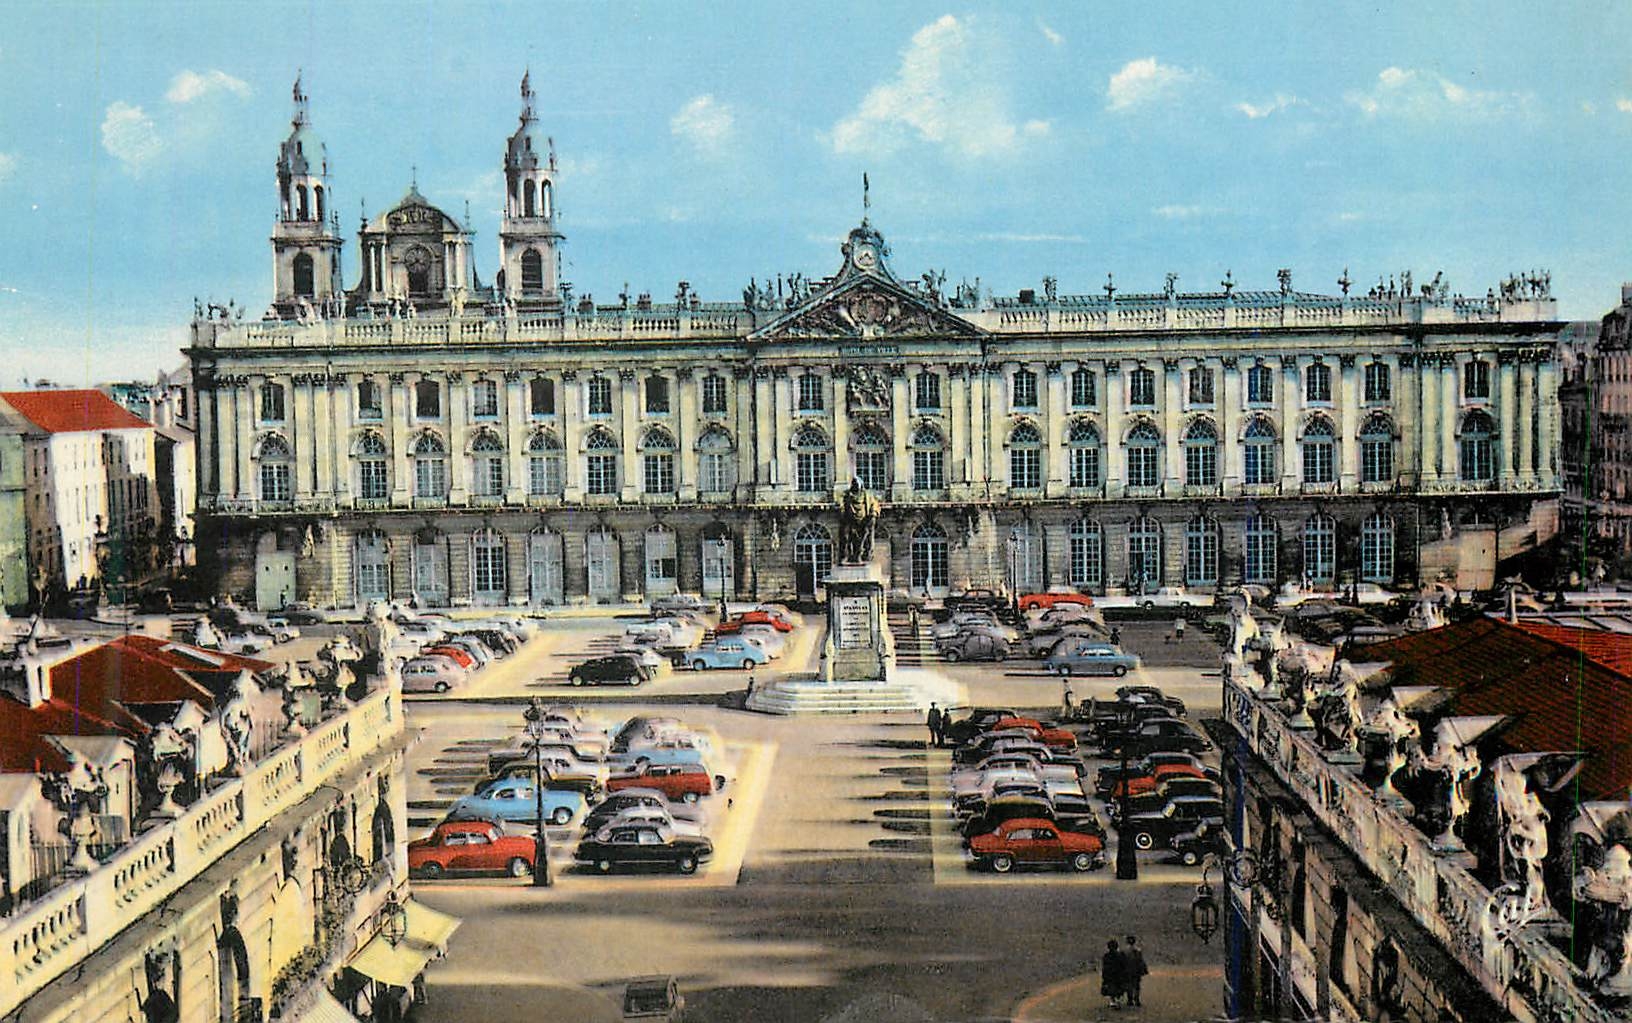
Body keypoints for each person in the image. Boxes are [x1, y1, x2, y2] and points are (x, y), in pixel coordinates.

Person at [1122, 935, 1148, 1007]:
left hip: (1127, 971)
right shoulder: (1138, 951)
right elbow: (1141, 962)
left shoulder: (1124, 951)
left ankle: (1130, 1000)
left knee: (1129, 985)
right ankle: (1136, 999)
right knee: (1136, 986)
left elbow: (1122, 962)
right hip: (1136, 971)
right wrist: (1143, 970)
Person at [1101, 938, 1125, 1008]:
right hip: (1119, 975)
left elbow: (1105, 967)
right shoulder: (1120, 955)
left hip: (1110, 975)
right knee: (1119, 988)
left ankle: (1112, 1000)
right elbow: (1123, 965)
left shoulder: (1106, 956)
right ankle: (1118, 1000)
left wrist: (1104, 976)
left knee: (1111, 987)